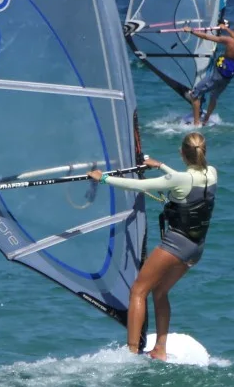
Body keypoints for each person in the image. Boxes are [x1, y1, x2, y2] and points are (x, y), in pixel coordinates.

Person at [88, 133, 216, 360]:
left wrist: (103, 178)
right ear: (203, 152)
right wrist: (160, 166)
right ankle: (159, 349)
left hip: (176, 244)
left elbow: (140, 185)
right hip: (196, 248)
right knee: (160, 292)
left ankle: (131, 352)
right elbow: (183, 179)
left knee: (138, 290)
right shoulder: (212, 173)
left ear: (182, 153)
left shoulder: (179, 179)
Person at [181, 20, 234, 125]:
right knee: (214, 96)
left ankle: (196, 124)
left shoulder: (228, 40)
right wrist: (226, 28)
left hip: (217, 75)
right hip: (229, 76)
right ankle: (206, 120)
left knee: (194, 94)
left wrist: (191, 31)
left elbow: (207, 37)